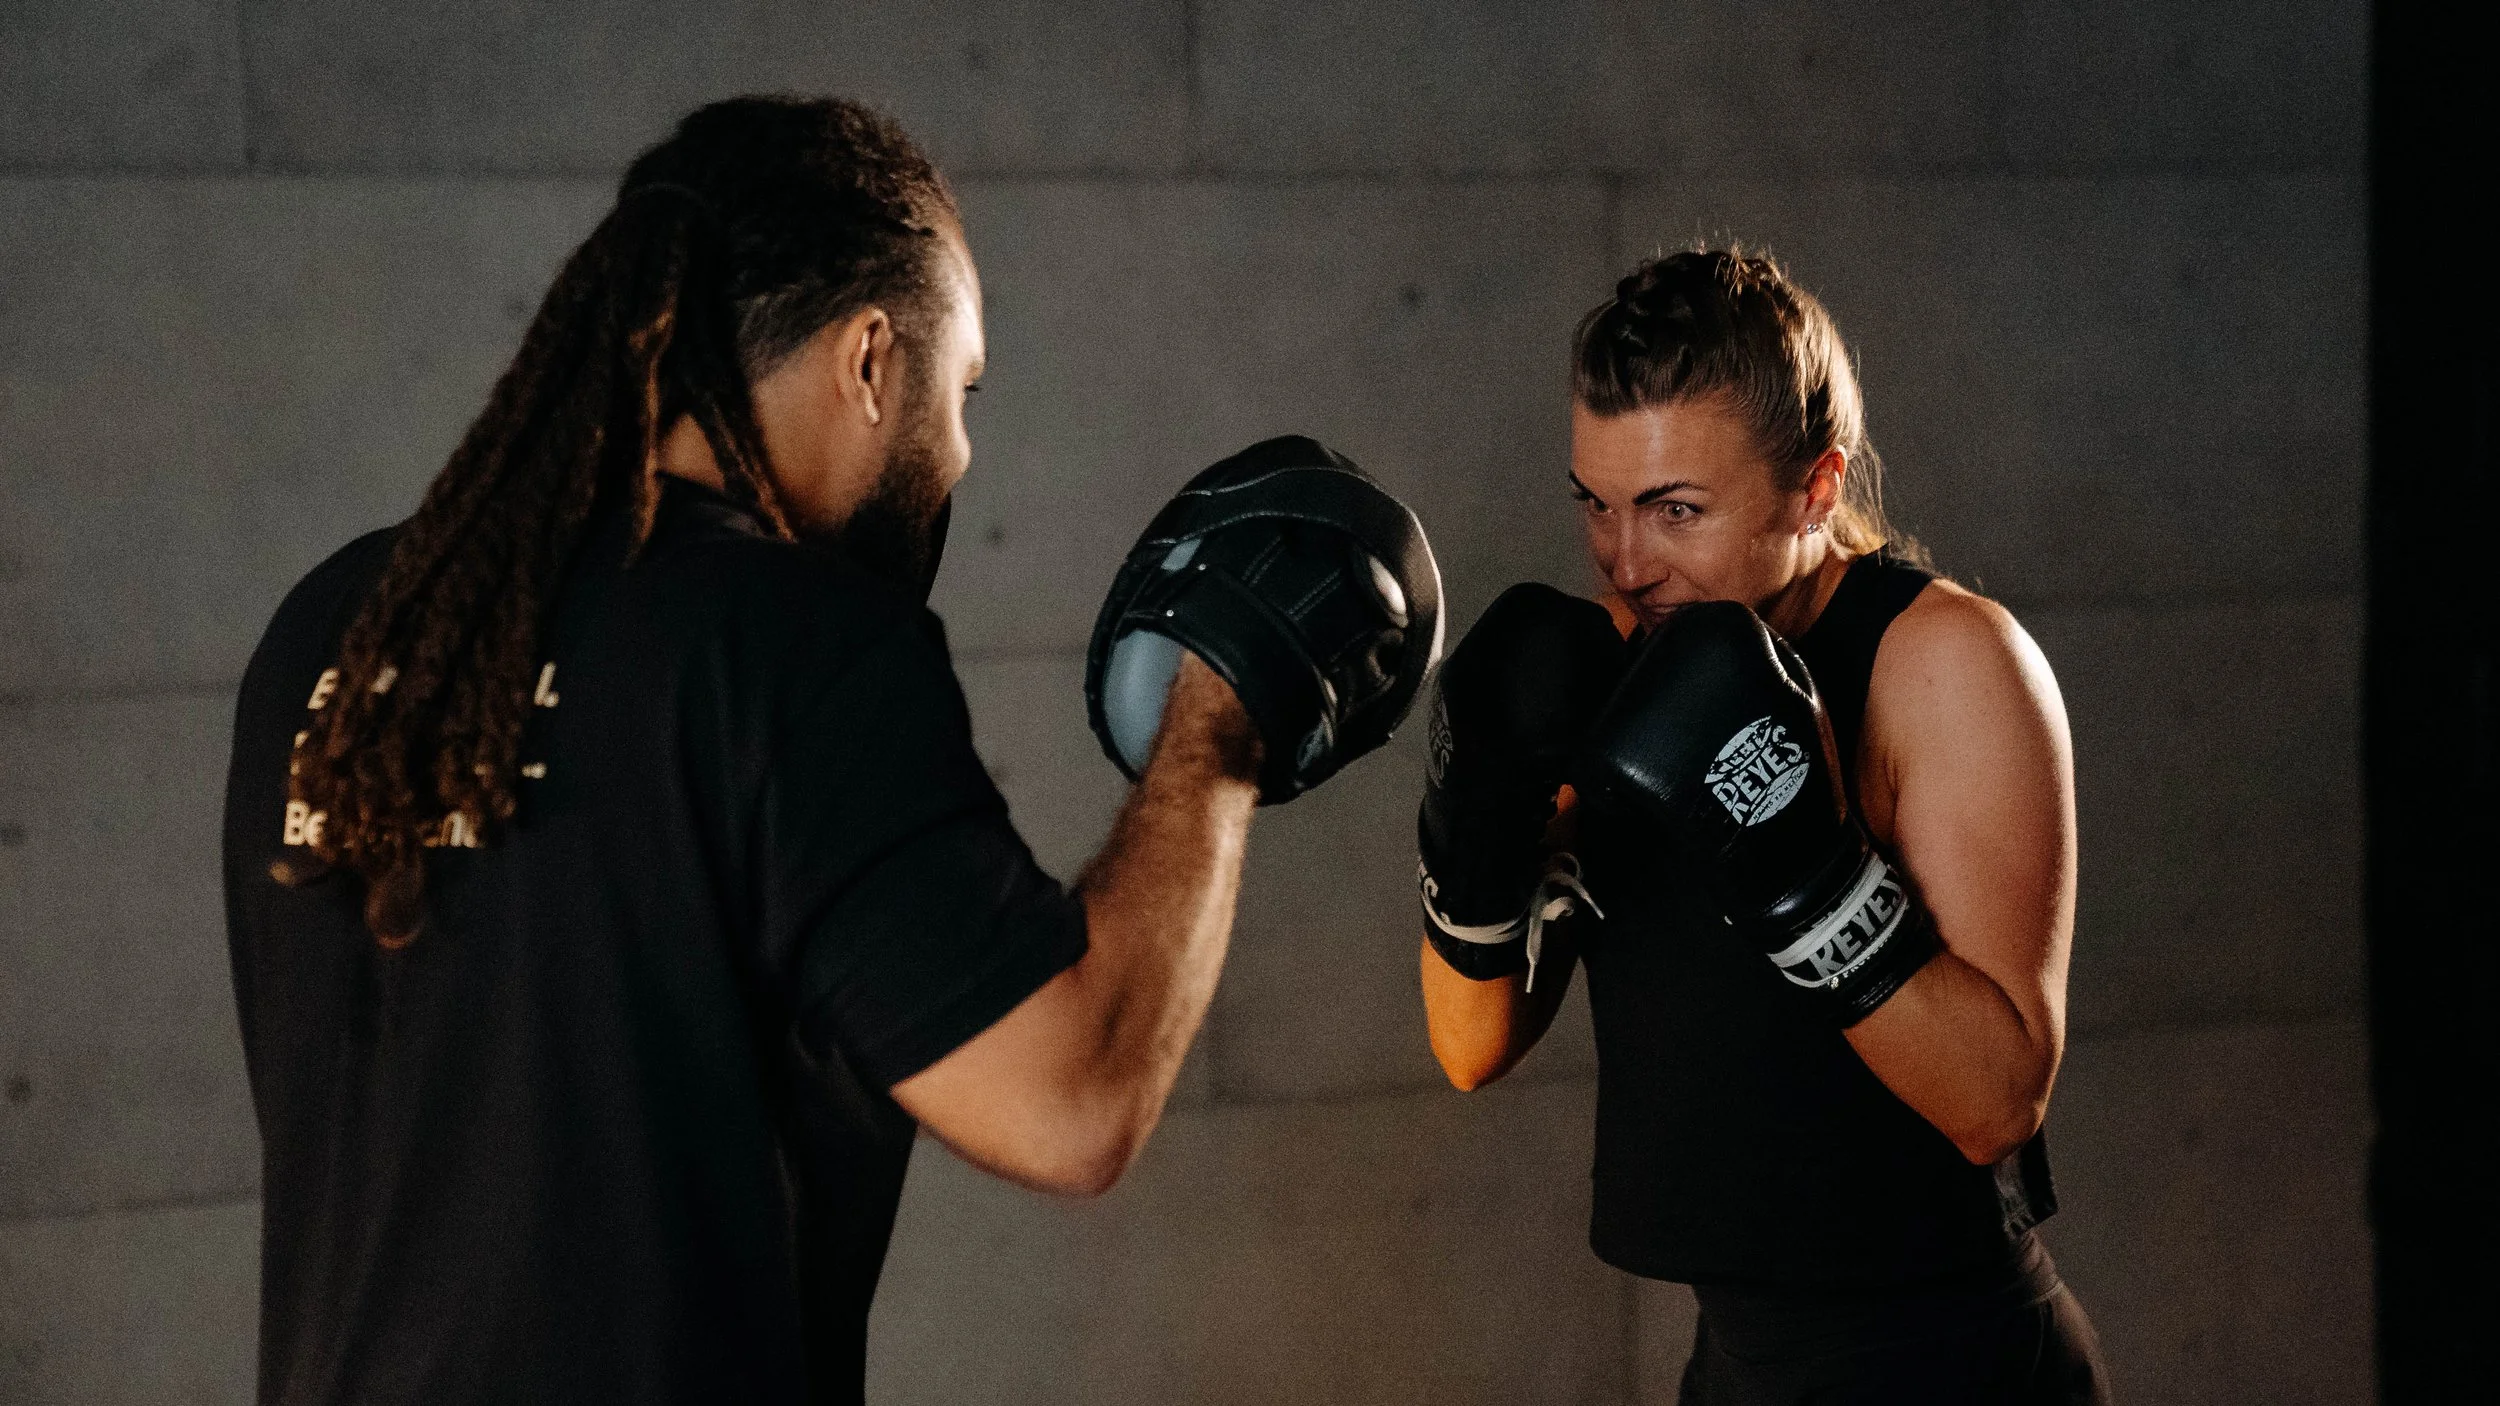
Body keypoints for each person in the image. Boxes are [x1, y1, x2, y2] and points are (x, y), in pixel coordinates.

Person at [222, 97, 1427, 1406]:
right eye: (957, 388)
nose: (959, 450)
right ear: (870, 360)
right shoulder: (787, 641)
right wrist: (1218, 723)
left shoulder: (336, 629)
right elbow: (1074, 1098)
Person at [1416, 249, 2110, 1404]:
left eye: (1674, 510)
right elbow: (1470, 1047)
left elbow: (1998, 1101)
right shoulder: (1607, 665)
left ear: (1815, 487)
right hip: (1736, 1365)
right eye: (1597, 504)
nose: (1628, 563)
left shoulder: (1943, 661)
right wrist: (1471, 823)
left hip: (1950, 1365)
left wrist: (1807, 869)